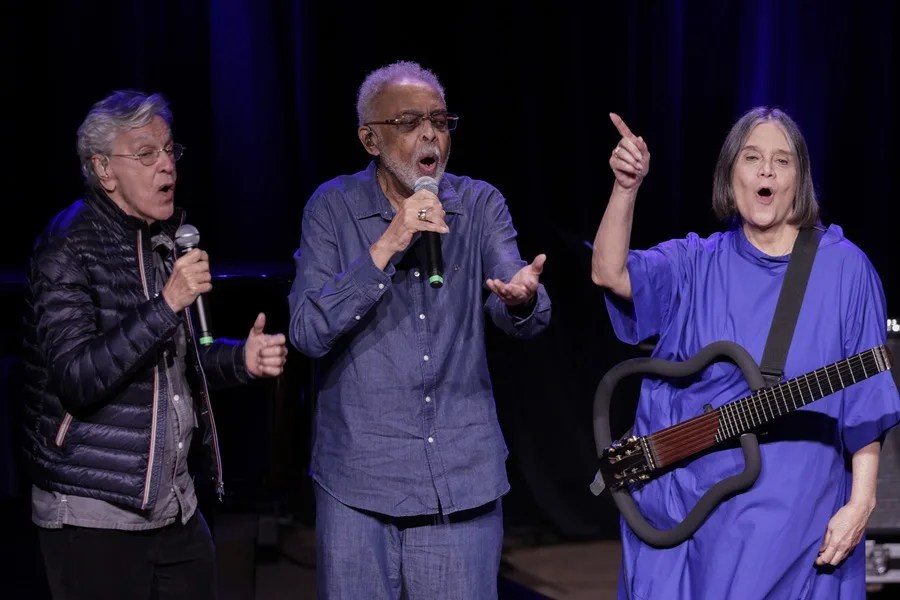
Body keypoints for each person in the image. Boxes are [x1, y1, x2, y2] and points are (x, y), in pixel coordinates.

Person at [590, 106, 900, 599]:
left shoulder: (845, 271)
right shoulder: (695, 262)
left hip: (794, 514)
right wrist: (626, 188)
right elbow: (610, 273)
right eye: (752, 157)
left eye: (782, 160)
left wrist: (861, 502)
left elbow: (867, 400)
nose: (766, 171)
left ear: (799, 179)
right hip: (688, 506)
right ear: (730, 173)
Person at [287, 60, 551, 598]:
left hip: (460, 477)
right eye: (409, 122)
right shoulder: (331, 208)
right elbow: (308, 332)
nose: (430, 134)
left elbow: (515, 289)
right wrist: (388, 243)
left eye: (440, 120)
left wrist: (522, 297)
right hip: (358, 481)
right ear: (370, 139)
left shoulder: (479, 204)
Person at [21, 89, 289, 600]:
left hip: (173, 505)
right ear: (104, 169)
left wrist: (242, 359)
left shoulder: (164, 240)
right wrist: (166, 304)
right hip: (94, 511)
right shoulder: (66, 247)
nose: (167, 164)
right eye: (146, 154)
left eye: (169, 150)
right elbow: (77, 378)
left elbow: (179, 362)